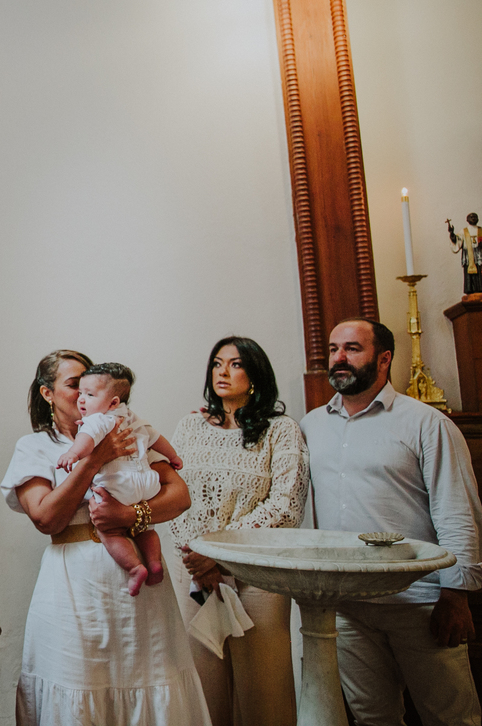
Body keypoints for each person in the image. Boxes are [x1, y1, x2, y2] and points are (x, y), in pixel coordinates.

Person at [0, 350, 211, 725]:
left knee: (148, 679)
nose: (83, 393)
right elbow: (47, 518)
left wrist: (131, 515)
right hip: (73, 587)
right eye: (72, 385)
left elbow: (179, 494)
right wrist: (94, 460)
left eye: (88, 385)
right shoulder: (34, 447)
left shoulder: (125, 428)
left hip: (140, 589)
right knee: (80, 683)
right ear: (48, 394)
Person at [302, 318, 482, 725]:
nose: (339, 359)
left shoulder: (426, 423)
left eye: (351, 348)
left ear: (383, 359)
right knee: (371, 717)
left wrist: (456, 596)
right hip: (346, 602)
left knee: (451, 717)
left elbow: (457, 509)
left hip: (419, 600)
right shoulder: (311, 425)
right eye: (333, 349)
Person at [167, 336, 308, 726]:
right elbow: (173, 491)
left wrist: (220, 552)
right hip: (194, 572)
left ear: (256, 373)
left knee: (264, 691)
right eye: (216, 363)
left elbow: (285, 505)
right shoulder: (190, 426)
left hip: (256, 574)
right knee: (203, 690)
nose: (223, 372)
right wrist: (198, 557)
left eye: (235, 364)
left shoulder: (281, 430)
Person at [56, 362, 185, 596]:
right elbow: (157, 438)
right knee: (145, 528)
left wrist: (72, 453)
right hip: (147, 483)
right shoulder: (133, 419)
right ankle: (154, 562)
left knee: (109, 530)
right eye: (80, 393)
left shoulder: (99, 420)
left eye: (89, 394)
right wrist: (173, 456)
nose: (81, 399)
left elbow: (85, 442)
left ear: (113, 402)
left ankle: (135, 568)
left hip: (117, 485)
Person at [448, 213, 482, 297]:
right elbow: (457, 241)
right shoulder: (464, 231)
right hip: (468, 257)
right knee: (469, 275)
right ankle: (469, 290)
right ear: (467, 220)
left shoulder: (481, 230)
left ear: (478, 219)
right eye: (471, 217)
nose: (473, 218)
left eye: (475, 217)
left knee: (480, 273)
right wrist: (452, 233)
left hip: (479, 256)